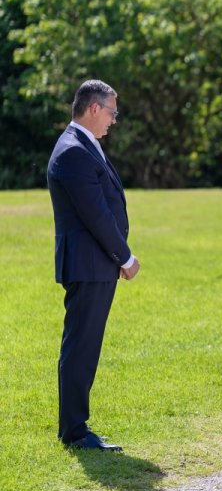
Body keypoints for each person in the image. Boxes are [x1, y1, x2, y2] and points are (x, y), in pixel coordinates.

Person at [47, 80, 140, 451]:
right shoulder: (73, 152)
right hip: (89, 265)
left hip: (95, 264)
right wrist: (126, 257)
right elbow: (96, 215)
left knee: (85, 345)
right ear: (94, 109)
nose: (114, 121)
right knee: (81, 347)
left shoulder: (85, 145)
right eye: (113, 113)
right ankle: (74, 431)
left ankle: (76, 427)